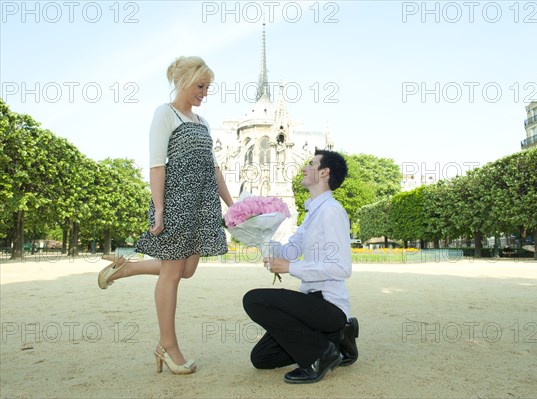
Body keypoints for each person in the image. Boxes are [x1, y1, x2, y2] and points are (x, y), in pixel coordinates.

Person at [97, 56, 233, 375]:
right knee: (173, 274)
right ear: (184, 81)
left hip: (201, 207)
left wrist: (233, 204)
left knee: (187, 270)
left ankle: (126, 268)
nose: (204, 93)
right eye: (201, 86)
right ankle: (167, 347)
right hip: (175, 204)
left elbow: (214, 169)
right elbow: (157, 164)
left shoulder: (203, 122)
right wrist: (159, 211)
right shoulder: (164, 114)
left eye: (208, 87)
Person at [243, 150, 359, 384]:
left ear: (324, 172)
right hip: (312, 305)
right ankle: (339, 336)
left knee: (253, 300)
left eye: (311, 164)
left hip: (329, 305)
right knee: (262, 358)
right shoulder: (312, 213)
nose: (305, 168)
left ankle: (322, 355)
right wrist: (261, 235)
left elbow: (342, 268)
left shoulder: (332, 211)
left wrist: (291, 268)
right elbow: (290, 251)